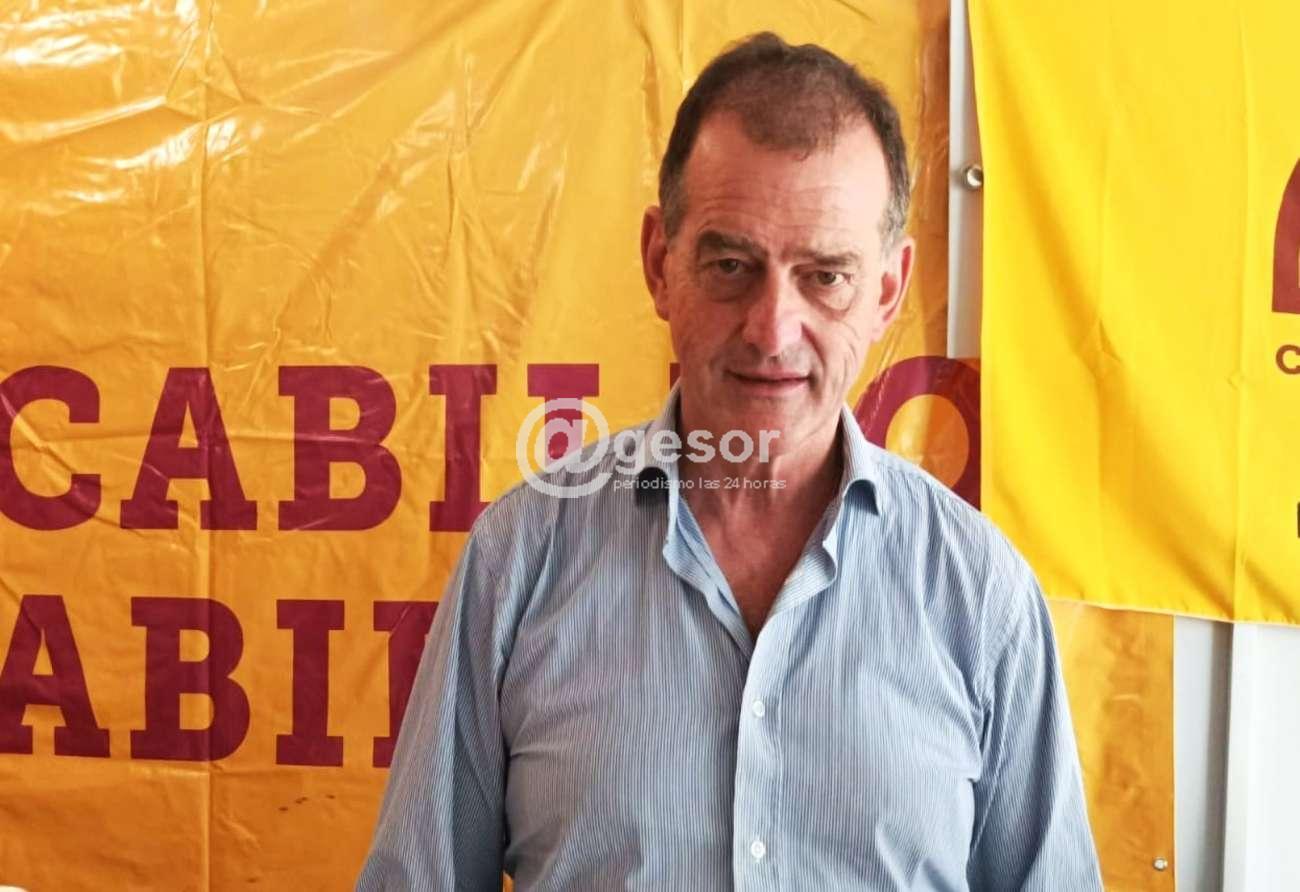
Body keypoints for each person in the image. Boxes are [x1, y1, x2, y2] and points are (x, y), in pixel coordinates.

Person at [358, 32, 1102, 891]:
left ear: (887, 291)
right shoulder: (518, 561)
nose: (772, 330)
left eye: (825, 276)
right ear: (659, 264)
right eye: (730, 265)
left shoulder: (980, 595)